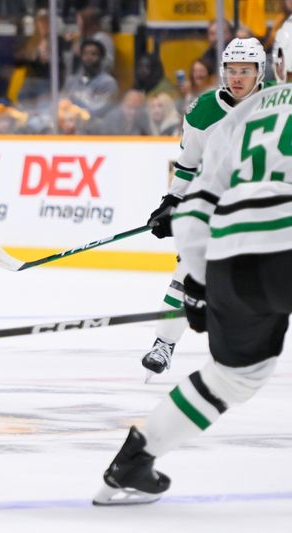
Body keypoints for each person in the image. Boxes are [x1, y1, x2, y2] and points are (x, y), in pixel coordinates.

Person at [93, 26, 292, 505]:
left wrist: (200, 282)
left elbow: (200, 200)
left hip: (233, 255)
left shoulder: (247, 115)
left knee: (233, 376)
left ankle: (133, 462)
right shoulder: (219, 110)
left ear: (274, 65)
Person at [141, 37, 274, 378]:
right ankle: (163, 344)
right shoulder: (204, 111)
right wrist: (171, 202)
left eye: (246, 70)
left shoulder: (279, 103)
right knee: (187, 274)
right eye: (232, 70)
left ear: (260, 72)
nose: (238, 78)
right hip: (217, 208)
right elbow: (187, 166)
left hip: (268, 208)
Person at [62, 39, 118, 119]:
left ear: (101, 58)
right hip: (71, 125)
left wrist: (77, 113)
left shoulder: (108, 82)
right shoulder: (71, 81)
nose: (89, 57)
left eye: (93, 54)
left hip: (96, 127)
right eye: (85, 54)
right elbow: (63, 104)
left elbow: (101, 111)